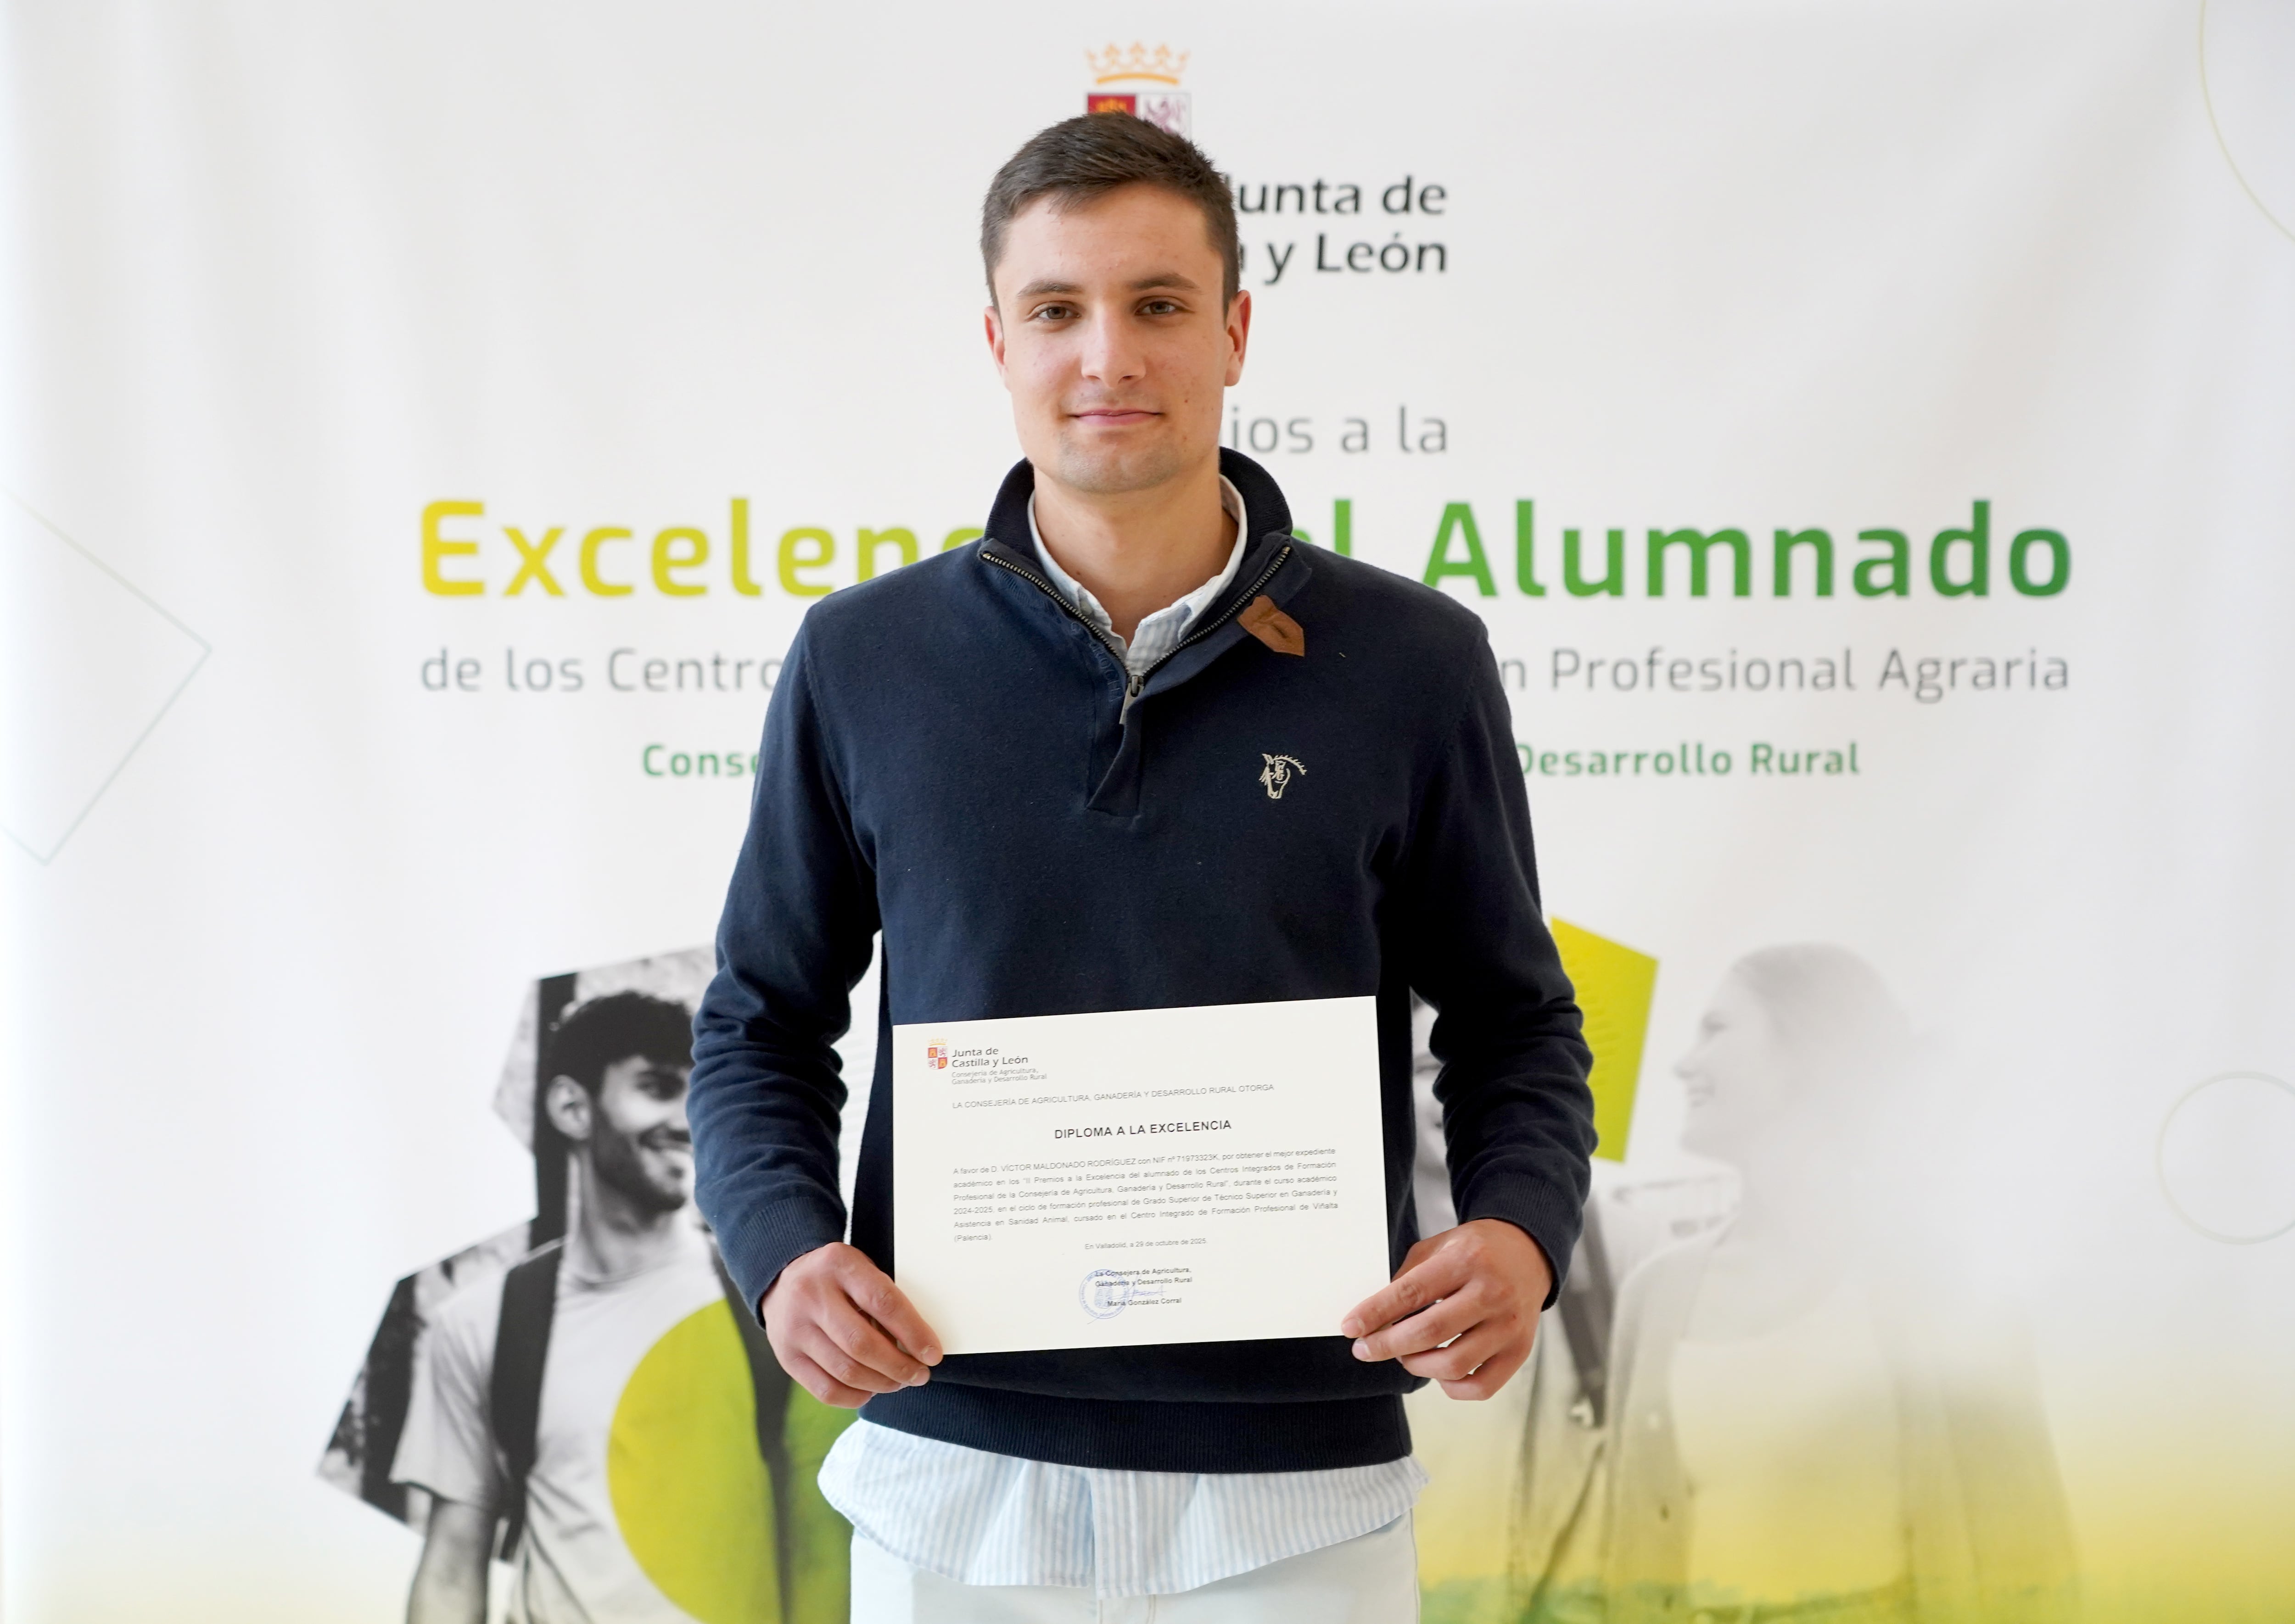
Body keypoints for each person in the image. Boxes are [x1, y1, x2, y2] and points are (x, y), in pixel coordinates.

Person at [690, 112, 1595, 1622]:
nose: (1107, 355)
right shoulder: (862, 660)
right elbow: (759, 1022)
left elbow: (1517, 1023)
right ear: (999, 341)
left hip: (1302, 1494)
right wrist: (785, 1250)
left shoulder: (1415, 661)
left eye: (1158, 304)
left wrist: (1519, 1231)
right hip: (951, 1476)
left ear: (1234, 331)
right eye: (1057, 309)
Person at [1585, 947, 2077, 1624]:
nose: (1683, 1064)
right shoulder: (1655, 1295)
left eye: (1717, 1029)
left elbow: (2031, 1561)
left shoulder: (1945, 1289)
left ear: (1807, 1047)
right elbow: (1626, 1561)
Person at [399, 991, 843, 1623]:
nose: (686, 1121)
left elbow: (822, 1554)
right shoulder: (485, 1323)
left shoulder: (769, 1307)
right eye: (657, 1088)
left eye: (696, 1096)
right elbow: (450, 1571)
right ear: (573, 1108)